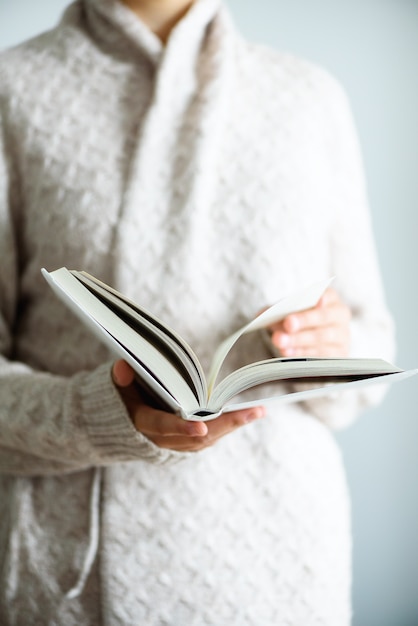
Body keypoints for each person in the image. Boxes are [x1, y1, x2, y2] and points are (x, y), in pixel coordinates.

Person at [0, 0, 395, 624]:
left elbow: (372, 337)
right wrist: (100, 414)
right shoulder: (12, 91)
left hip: (283, 570)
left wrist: (330, 345)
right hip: (75, 586)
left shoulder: (309, 99)